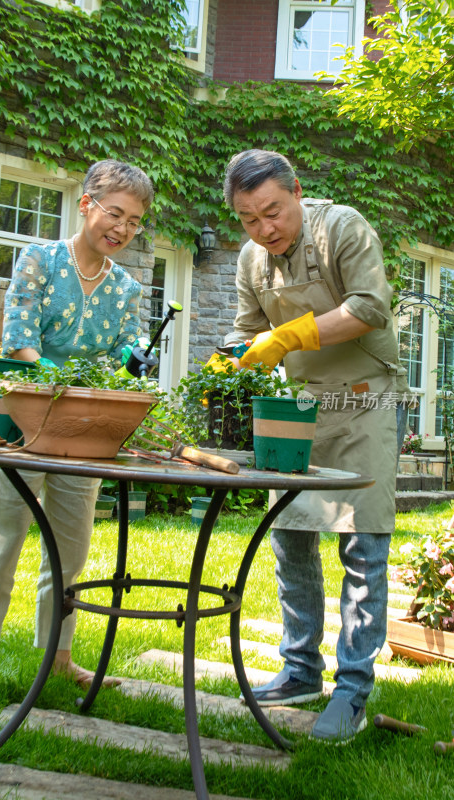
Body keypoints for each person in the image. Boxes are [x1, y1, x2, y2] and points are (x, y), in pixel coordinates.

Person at [212, 149, 408, 743]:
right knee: (291, 532)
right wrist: (225, 360)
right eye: (250, 219)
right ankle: (300, 670)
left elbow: (371, 308)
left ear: (296, 191)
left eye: (273, 211)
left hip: (365, 397)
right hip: (298, 405)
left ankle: (352, 688)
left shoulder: (342, 228)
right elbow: (248, 330)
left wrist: (291, 332)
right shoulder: (252, 258)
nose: (265, 229)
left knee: (363, 541)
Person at [0, 159, 154, 706]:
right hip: (20, 424)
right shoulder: (38, 259)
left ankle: (59, 657)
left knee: (70, 553)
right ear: (86, 204)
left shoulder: (128, 289)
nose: (123, 228)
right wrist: (60, 384)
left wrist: (125, 372)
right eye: (116, 214)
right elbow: (18, 336)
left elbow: (123, 357)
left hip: (87, 435)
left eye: (134, 221)